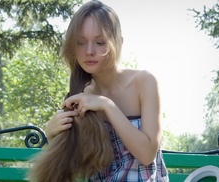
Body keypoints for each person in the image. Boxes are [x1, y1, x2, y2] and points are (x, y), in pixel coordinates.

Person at [41, 0, 169, 181]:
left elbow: (147, 154)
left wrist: (106, 105)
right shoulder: (78, 97)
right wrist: (53, 135)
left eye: (100, 42)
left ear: (118, 42)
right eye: (80, 42)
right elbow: (75, 167)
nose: (89, 51)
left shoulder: (144, 82)